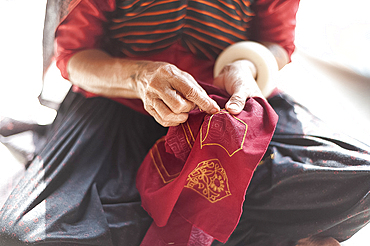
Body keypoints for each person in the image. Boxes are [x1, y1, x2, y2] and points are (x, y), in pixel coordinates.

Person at [1, 0, 370, 245]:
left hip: (226, 109)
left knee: (360, 181)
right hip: (118, 103)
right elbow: (74, 57)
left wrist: (246, 67)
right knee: (26, 234)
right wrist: (139, 77)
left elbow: (277, 43)